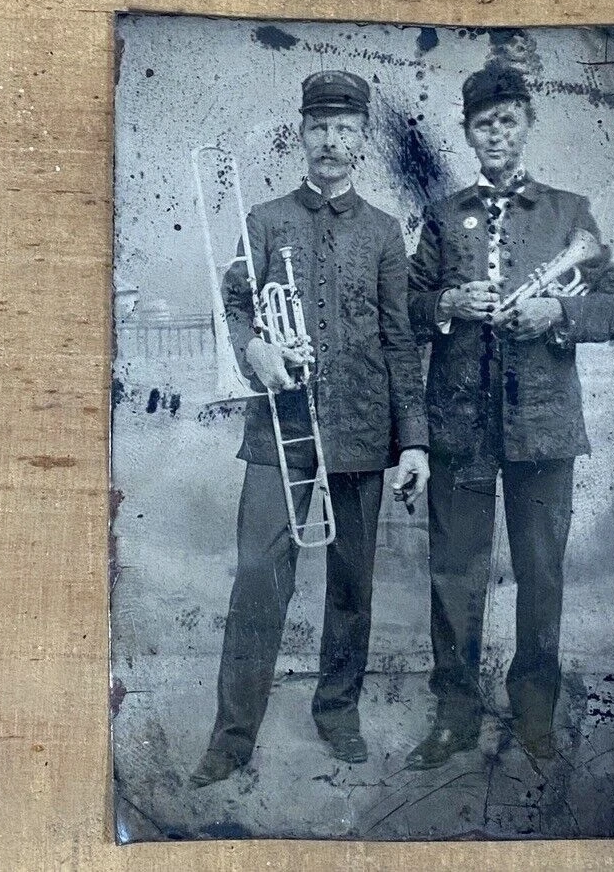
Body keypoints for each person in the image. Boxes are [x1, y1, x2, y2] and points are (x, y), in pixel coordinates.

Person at [191, 71, 429, 787]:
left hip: (361, 428)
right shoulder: (265, 220)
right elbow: (233, 306)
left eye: (344, 129)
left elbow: (400, 341)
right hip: (279, 430)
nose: (331, 141)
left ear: (361, 141)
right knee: (258, 579)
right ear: (302, 134)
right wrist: (253, 350)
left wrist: (414, 440)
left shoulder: (384, 231)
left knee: (352, 584)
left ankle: (338, 713)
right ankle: (232, 738)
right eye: (319, 127)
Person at [405, 63, 614, 769]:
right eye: (484, 124)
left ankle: (535, 714)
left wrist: (558, 312)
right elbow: (407, 308)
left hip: (544, 429)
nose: (496, 134)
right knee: (454, 575)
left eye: (508, 120)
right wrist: (447, 304)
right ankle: (454, 715)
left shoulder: (569, 213)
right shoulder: (442, 216)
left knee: (542, 575)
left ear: (527, 124)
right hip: (459, 428)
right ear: (469, 134)